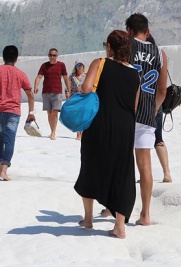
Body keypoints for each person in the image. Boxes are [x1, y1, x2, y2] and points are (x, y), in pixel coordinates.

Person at [74, 30, 140, 239]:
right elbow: (135, 106)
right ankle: (119, 226)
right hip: (125, 127)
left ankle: (88, 219)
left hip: (100, 123)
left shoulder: (99, 63)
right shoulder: (134, 74)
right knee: (122, 171)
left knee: (91, 166)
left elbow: (85, 88)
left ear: (110, 47)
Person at [126, 13, 168, 226]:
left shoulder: (126, 46)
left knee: (121, 162)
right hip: (147, 113)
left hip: (125, 111)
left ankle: (114, 208)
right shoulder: (160, 54)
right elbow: (162, 90)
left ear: (129, 31)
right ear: (148, 31)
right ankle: (145, 214)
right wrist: (153, 110)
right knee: (145, 165)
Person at [0, 45, 35, 181]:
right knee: (10, 140)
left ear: (3, 57)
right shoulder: (21, 74)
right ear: (16, 58)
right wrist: (31, 112)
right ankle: (4, 170)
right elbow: (30, 95)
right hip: (13, 112)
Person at [146, 34, 173, 183]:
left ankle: (146, 175)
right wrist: (157, 107)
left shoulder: (140, 58)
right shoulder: (160, 56)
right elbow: (162, 89)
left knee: (141, 141)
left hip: (143, 103)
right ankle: (167, 173)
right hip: (157, 101)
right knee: (158, 138)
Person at [33, 48, 70, 140]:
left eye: (54, 55)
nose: (52, 57)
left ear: (57, 56)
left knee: (55, 112)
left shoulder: (61, 65)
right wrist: (36, 86)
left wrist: (68, 89)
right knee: (49, 113)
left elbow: (65, 78)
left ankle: (53, 132)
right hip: (46, 92)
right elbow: (39, 77)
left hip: (57, 92)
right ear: (48, 55)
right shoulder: (44, 66)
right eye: (50, 55)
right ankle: (51, 130)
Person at [69, 60, 87, 140]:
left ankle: (82, 133)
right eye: (77, 65)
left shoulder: (86, 76)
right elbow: (68, 86)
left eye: (80, 65)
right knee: (76, 116)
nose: (79, 67)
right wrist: (67, 93)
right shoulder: (72, 76)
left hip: (83, 97)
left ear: (83, 66)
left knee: (82, 116)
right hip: (74, 97)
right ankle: (78, 134)